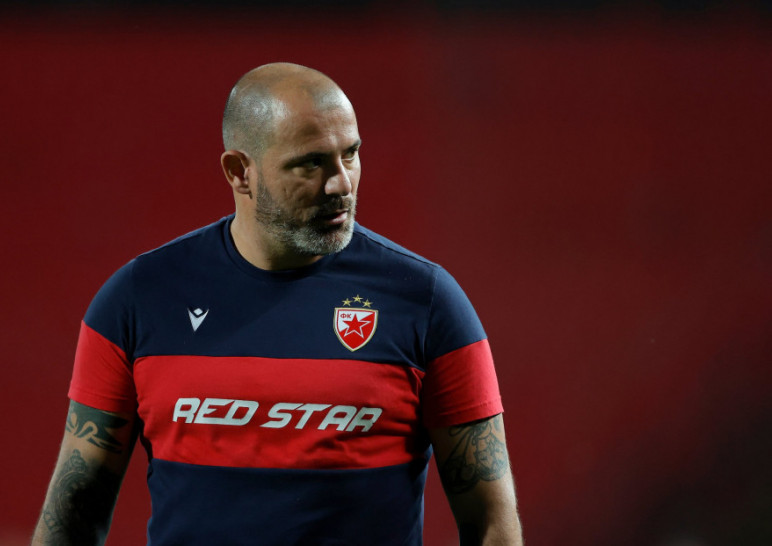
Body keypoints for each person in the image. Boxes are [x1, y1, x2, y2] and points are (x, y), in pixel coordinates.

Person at [32, 62, 522, 546]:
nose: (341, 184)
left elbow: (491, 524)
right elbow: (74, 510)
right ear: (239, 172)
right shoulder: (137, 300)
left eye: (350, 154)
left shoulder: (427, 302)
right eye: (311, 163)